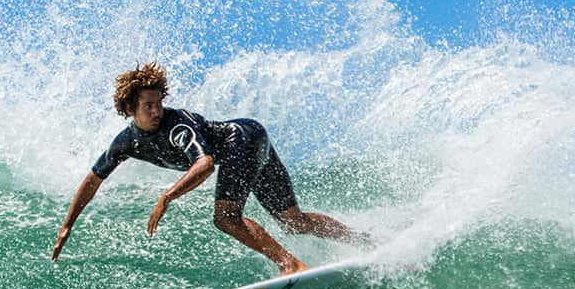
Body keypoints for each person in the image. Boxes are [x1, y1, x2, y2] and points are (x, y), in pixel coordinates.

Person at [52, 62, 370, 275]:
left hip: (242, 139)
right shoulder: (125, 142)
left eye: (158, 102)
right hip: (249, 139)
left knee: (225, 217)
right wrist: (68, 224)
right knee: (292, 221)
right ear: (129, 109)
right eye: (147, 106)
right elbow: (94, 179)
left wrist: (167, 197)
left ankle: (290, 265)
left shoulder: (177, 126)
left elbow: (204, 165)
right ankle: (365, 241)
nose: (156, 111)